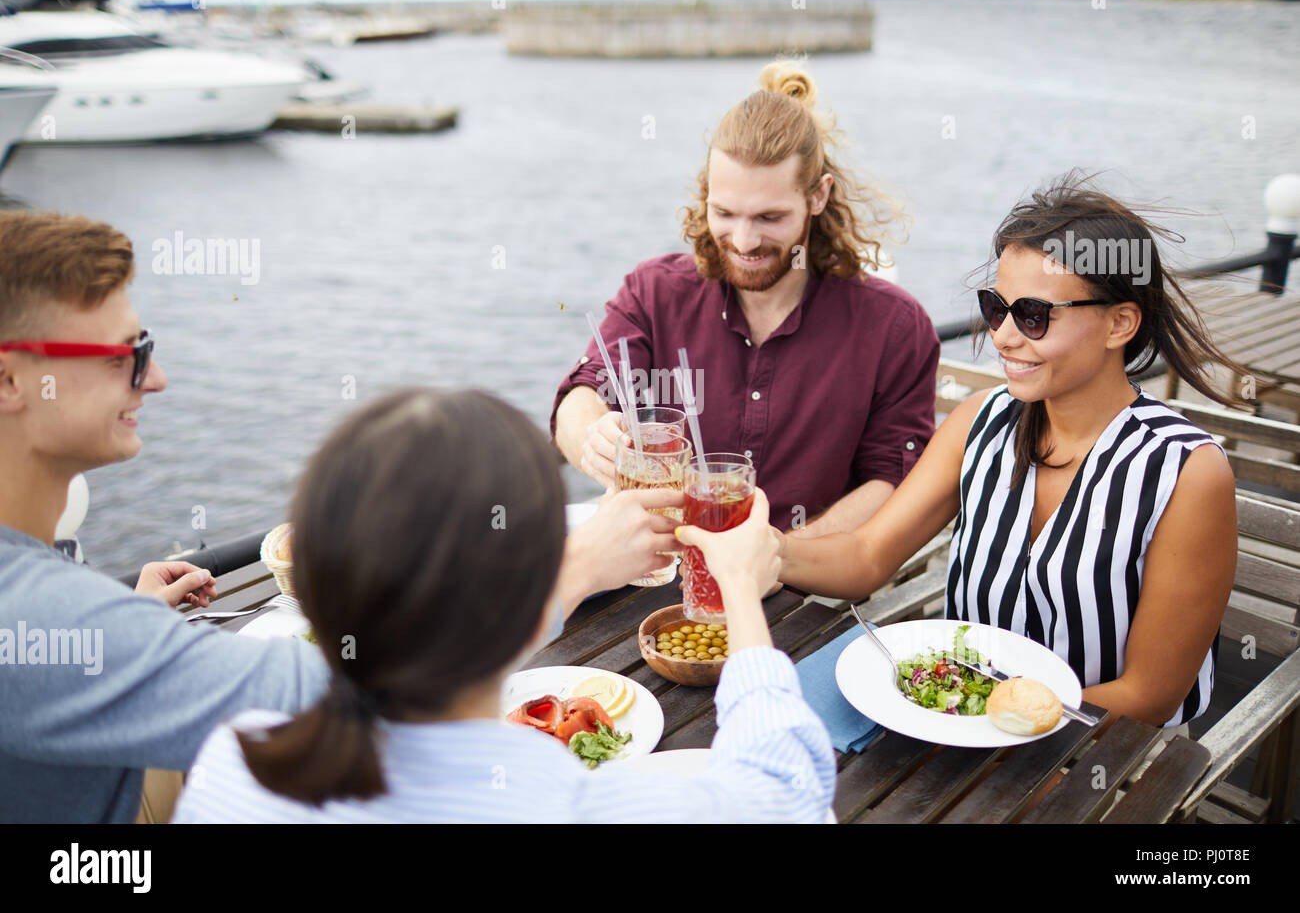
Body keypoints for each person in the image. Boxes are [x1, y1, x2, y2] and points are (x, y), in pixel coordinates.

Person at [0, 211, 674, 823]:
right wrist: (573, 571)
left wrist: (132, 635)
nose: (155, 379)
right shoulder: (40, 614)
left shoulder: (51, 594)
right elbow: (350, 697)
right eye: (125, 355)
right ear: (10, 381)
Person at [173, 388, 835, 823]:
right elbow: (791, 792)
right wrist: (741, 593)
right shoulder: (553, 802)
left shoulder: (231, 758)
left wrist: (569, 574)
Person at [778, 174, 1241, 729]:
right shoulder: (979, 421)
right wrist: (765, 549)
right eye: (997, 307)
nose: (1002, 336)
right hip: (958, 725)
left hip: (1104, 753)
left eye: (1035, 316)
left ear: (1120, 323)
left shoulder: (1183, 473)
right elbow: (866, 558)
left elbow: (1149, 695)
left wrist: (987, 720)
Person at [551, 61, 939, 539]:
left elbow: (893, 478)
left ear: (818, 196)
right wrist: (595, 437)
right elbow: (582, 393)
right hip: (664, 568)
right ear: (706, 195)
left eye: (769, 217)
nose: (744, 239)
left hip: (805, 587)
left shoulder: (894, 327)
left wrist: (774, 553)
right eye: (725, 212)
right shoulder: (654, 291)